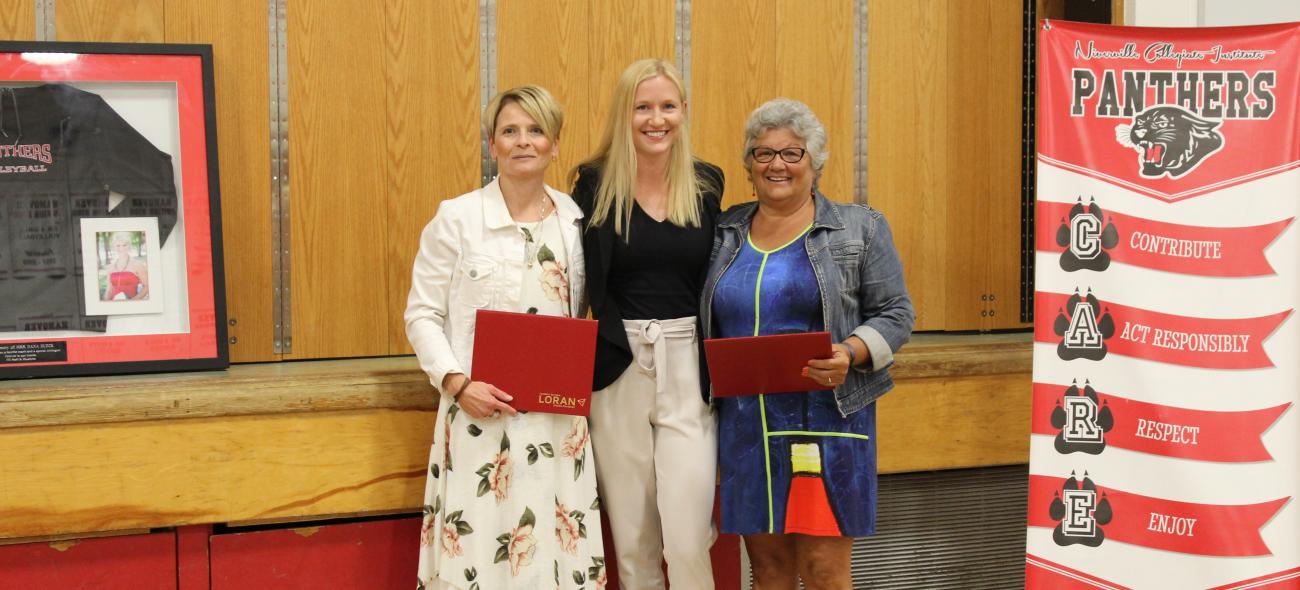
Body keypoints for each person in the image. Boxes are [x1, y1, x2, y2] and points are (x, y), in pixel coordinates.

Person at [700, 98, 914, 589]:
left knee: (823, 571)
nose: (777, 164)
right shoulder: (725, 231)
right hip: (747, 426)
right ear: (749, 166)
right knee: (769, 571)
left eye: (792, 153)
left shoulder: (861, 228)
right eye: (763, 154)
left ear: (815, 162)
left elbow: (898, 314)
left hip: (830, 420)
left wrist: (851, 352)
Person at [406, 85, 605, 590]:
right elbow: (422, 314)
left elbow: (580, 309)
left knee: (554, 562)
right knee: (482, 555)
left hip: (556, 421)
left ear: (555, 144)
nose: (523, 141)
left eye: (536, 131)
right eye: (510, 131)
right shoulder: (457, 217)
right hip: (479, 413)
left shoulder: (575, 221)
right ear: (492, 144)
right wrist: (456, 383)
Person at [570, 58, 723, 589]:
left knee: (686, 538)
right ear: (624, 113)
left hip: (688, 364)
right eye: (642, 107)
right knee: (633, 542)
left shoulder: (706, 183)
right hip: (618, 364)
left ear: (683, 112)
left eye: (667, 106)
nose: (655, 119)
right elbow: (575, 279)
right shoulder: (592, 185)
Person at [103, 232, 149, 301]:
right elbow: (109, 290)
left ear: (129, 246)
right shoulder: (110, 267)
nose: (121, 248)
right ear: (114, 247)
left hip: (133, 304)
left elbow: (147, 286)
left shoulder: (138, 265)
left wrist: (132, 301)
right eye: (118, 245)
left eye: (124, 245)